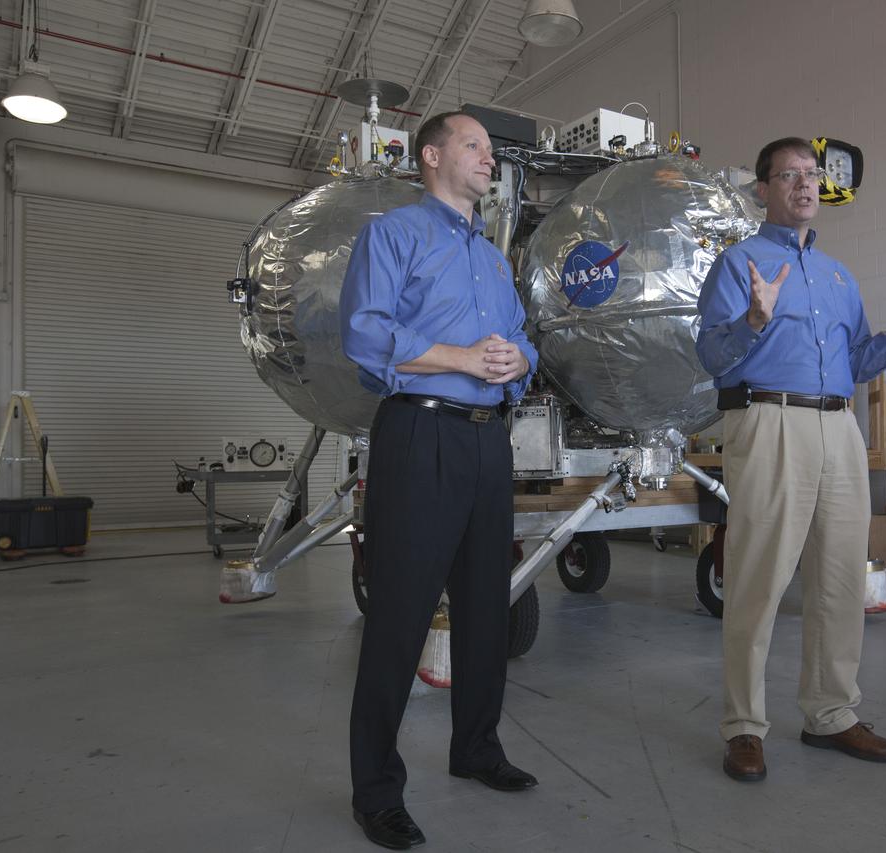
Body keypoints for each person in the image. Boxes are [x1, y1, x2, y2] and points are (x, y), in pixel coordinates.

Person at [695, 136, 886, 781]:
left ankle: (832, 714)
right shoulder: (738, 264)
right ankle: (743, 724)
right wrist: (754, 322)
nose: (803, 184)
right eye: (788, 175)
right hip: (768, 423)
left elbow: (855, 364)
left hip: (837, 426)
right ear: (762, 189)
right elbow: (711, 359)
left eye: (812, 174)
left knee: (843, 580)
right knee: (758, 579)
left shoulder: (839, 275)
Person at [339, 111, 540, 849]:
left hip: (490, 444)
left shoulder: (492, 258)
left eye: (490, 149)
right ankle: (376, 790)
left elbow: (520, 336)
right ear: (431, 156)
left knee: (487, 606)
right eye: (474, 145)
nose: (489, 157)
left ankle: (477, 749)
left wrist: (522, 360)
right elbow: (363, 334)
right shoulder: (393, 234)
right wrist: (458, 358)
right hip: (420, 431)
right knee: (400, 614)